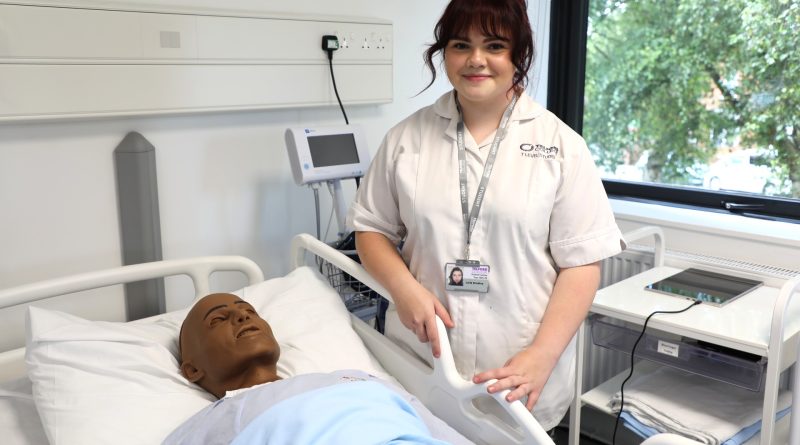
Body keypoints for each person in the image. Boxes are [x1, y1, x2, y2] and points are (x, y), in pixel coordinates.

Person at [347, 0, 625, 432]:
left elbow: (582, 264)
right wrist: (404, 289)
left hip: (519, 372)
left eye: (494, 45)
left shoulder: (561, 146)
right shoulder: (406, 139)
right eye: (461, 45)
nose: (476, 59)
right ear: (444, 53)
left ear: (518, 54)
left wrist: (542, 354)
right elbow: (371, 231)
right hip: (423, 363)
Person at [164, 292, 473, 444]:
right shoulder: (208, 423)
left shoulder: (356, 378)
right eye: (218, 320)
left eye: (249, 311)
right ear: (192, 370)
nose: (243, 317)